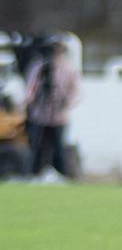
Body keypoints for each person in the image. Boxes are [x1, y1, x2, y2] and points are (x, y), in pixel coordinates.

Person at [24, 37, 79, 180]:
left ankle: (61, 175)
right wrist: (32, 102)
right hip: (40, 115)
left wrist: (64, 102)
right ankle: (34, 174)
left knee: (58, 147)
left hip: (59, 116)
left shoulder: (68, 69)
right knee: (36, 146)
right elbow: (30, 89)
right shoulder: (39, 67)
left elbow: (75, 92)